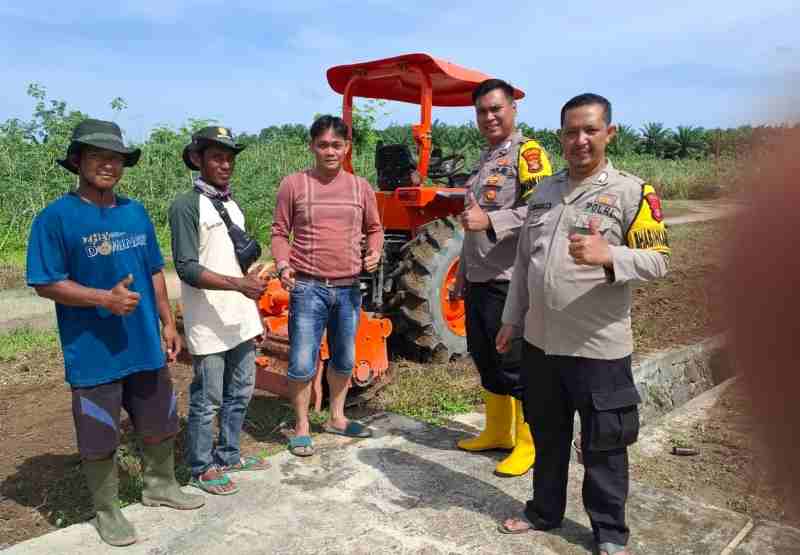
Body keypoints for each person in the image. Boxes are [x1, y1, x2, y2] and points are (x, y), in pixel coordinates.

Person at [495, 94, 670, 555]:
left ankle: (609, 532)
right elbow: (524, 264)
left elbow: (660, 262)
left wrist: (609, 255)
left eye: (590, 130)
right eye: (571, 132)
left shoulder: (633, 192)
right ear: (561, 137)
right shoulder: (544, 192)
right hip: (541, 345)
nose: (580, 140)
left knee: (604, 446)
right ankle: (544, 511)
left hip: (599, 349)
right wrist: (511, 319)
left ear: (609, 133)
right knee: (547, 435)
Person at [26, 119, 204, 547]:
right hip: (93, 351)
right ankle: (106, 510)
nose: (108, 165)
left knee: (160, 419)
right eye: (98, 156)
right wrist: (103, 299)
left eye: (116, 158)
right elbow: (46, 281)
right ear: (77, 161)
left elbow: (153, 271)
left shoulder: (134, 211)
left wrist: (167, 321)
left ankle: (160, 484)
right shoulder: (55, 218)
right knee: (99, 430)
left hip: (143, 341)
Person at [451, 79, 552, 477]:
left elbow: (543, 212)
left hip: (509, 279)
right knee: (484, 354)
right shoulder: (486, 160)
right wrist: (462, 270)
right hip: (478, 276)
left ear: (513, 109)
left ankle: (529, 443)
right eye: (481, 111)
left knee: (516, 363)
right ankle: (497, 431)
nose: (489, 117)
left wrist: (491, 219)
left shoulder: (528, 154)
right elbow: (469, 224)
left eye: (496, 109)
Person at [271, 115, 383, 457]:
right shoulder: (294, 184)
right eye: (323, 145)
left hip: (348, 289)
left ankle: (336, 416)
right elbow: (279, 232)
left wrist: (375, 251)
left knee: (344, 360)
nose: (330, 151)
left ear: (346, 147)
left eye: (337, 145)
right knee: (303, 362)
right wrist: (283, 263)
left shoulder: (360, 188)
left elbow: (375, 229)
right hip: (307, 288)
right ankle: (302, 425)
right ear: (312, 146)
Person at [169, 126, 269, 496]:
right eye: (216, 157)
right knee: (207, 397)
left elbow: (237, 265)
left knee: (241, 390)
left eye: (229, 158)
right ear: (197, 159)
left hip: (239, 316)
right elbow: (186, 268)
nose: (225, 164)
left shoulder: (231, 204)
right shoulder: (185, 205)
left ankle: (229, 454)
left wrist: (253, 308)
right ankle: (200, 465)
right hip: (208, 320)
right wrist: (239, 285)